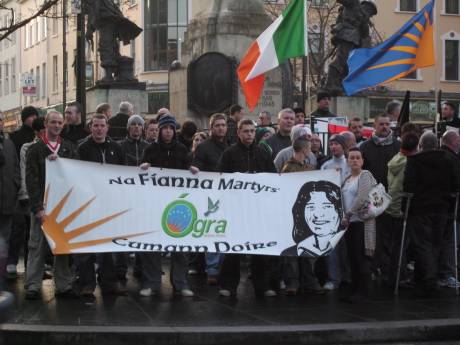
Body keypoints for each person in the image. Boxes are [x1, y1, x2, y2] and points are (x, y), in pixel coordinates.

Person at [217, 119, 277, 297]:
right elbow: (220, 179)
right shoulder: (229, 154)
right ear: (238, 133)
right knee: (233, 250)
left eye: (252, 131)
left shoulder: (263, 153)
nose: (249, 134)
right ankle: (228, 285)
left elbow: (273, 178)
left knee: (259, 249)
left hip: (258, 210)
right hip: (236, 210)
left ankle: (262, 286)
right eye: (246, 131)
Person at [24, 110, 78, 300]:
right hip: (42, 206)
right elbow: (31, 180)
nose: (56, 125)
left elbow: (76, 177)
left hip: (63, 208)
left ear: (63, 125)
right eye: (53, 122)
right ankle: (33, 284)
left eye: (59, 122)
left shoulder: (70, 148)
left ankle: (63, 284)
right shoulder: (35, 149)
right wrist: (37, 207)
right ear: (45, 124)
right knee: (36, 246)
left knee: (62, 247)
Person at [139, 115, 194, 297]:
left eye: (171, 128)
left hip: (178, 204)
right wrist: (144, 167)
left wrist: (192, 170)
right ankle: (152, 282)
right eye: (165, 128)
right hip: (155, 204)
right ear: (160, 130)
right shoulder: (151, 150)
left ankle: (180, 282)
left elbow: (189, 169)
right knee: (153, 245)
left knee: (180, 245)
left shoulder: (182, 149)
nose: (168, 131)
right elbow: (140, 174)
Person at [403, 132, 460, 297]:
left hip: (420, 209)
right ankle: (421, 277)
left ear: (420, 145)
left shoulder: (414, 161)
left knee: (422, 243)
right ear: (436, 144)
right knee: (435, 243)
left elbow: (409, 186)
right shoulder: (448, 160)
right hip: (442, 208)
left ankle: (429, 278)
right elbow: (455, 183)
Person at [76, 114, 127, 297]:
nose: (98, 129)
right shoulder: (82, 148)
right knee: (87, 245)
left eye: (102, 125)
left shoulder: (116, 148)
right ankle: (87, 283)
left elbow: (124, 172)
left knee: (107, 245)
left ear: (107, 127)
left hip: (109, 204)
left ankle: (109, 282)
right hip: (88, 204)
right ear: (91, 128)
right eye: (95, 125)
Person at [280, 138, 325, 296]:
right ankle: (294, 282)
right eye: (309, 149)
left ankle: (306, 282)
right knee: (292, 251)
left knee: (307, 248)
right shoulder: (290, 168)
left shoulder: (307, 167)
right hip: (293, 214)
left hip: (306, 214)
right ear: (305, 150)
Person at [360, 114, 401, 280]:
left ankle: (389, 269)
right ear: (374, 126)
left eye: (387, 124)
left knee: (391, 235)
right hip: (373, 198)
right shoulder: (365, 146)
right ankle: (374, 266)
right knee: (374, 234)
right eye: (381, 124)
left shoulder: (398, 145)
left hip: (393, 197)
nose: (385, 127)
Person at [190, 113, 229, 285]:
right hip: (210, 198)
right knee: (213, 233)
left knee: (226, 233)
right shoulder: (204, 147)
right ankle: (212, 270)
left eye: (223, 125)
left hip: (227, 196)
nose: (221, 128)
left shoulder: (230, 146)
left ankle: (224, 268)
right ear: (212, 128)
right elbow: (197, 165)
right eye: (217, 125)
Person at [341, 148, 377, 301]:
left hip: (361, 223)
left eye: (357, 158)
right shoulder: (347, 179)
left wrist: (348, 214)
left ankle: (364, 291)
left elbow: (362, 197)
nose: (355, 160)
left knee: (361, 258)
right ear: (348, 161)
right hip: (350, 224)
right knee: (353, 258)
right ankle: (355, 289)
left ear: (362, 161)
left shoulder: (365, 175)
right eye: (351, 158)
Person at [7, 106, 38, 280]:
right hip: (19, 188)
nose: (33, 118)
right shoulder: (16, 138)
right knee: (18, 227)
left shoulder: (36, 137)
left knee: (32, 231)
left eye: (35, 116)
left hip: (31, 188)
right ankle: (12, 262)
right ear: (25, 118)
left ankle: (30, 265)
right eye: (31, 116)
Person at [386, 132, 419, 289]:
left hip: (392, 206)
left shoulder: (395, 159)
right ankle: (399, 277)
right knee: (401, 246)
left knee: (395, 244)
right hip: (402, 208)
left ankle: (394, 275)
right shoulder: (410, 163)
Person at [281, 180, 344, 257]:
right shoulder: (290, 253)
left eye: (326, 206)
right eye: (311, 207)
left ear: (340, 210)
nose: (317, 214)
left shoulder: (349, 246)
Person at [320, 134, 350, 290]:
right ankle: (333, 278)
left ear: (343, 146)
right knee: (332, 247)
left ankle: (348, 277)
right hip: (331, 212)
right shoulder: (325, 165)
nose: (333, 147)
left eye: (336, 144)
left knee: (348, 247)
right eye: (331, 144)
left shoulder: (350, 163)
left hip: (349, 212)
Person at [438, 130, 460, 288]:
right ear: (453, 141)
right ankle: (448, 273)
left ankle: (444, 272)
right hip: (451, 207)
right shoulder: (452, 159)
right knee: (450, 241)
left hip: (440, 206)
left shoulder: (439, 156)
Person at [0, 114, 20, 283]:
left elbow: (15, 167)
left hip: (7, 197)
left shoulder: (8, 143)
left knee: (5, 237)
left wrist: (16, 184)